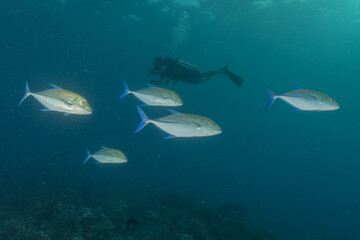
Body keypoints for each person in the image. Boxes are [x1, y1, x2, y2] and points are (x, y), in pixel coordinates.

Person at [147, 56, 244, 87]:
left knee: (202, 78)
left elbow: (161, 69)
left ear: (159, 62)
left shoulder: (165, 65)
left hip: (185, 73)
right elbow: (161, 81)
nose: (154, 64)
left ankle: (222, 71)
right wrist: (154, 82)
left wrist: (152, 72)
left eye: (155, 63)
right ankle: (221, 71)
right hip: (183, 76)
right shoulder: (162, 72)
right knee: (202, 77)